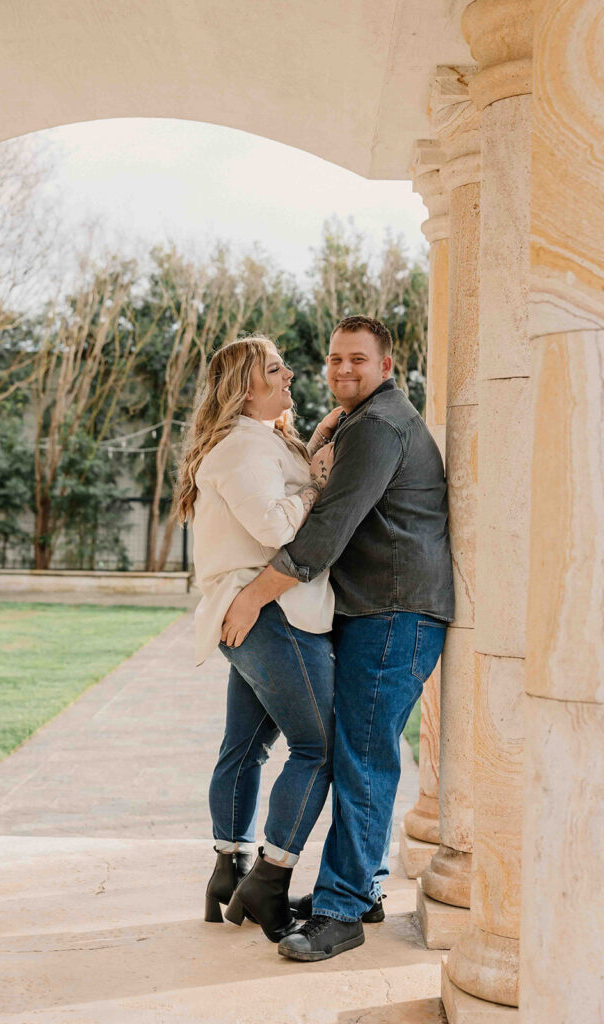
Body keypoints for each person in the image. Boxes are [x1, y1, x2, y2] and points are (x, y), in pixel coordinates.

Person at [221, 315, 455, 961]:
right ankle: (362, 889)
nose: (341, 369)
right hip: (378, 610)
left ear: (386, 365)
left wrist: (250, 596)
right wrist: (325, 426)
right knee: (358, 753)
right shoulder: (362, 420)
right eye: (333, 359)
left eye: (356, 359)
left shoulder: (379, 426)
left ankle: (341, 912)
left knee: (360, 758)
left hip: (393, 613)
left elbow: (326, 527)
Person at [176, 334, 341, 943]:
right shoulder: (242, 448)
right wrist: (316, 490)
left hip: (251, 617)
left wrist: (317, 445)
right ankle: (270, 880)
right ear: (246, 386)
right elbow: (276, 526)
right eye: (275, 368)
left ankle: (228, 867)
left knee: (243, 749)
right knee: (317, 747)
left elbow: (294, 479)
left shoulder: (261, 441)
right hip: (274, 616)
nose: (289, 373)